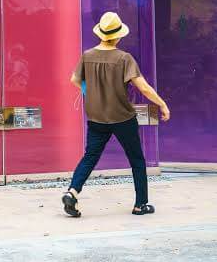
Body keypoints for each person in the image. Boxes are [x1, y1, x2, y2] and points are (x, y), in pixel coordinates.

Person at [62, 12, 170, 218]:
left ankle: (72, 192)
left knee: (90, 157)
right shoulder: (124, 58)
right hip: (122, 117)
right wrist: (162, 104)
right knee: (136, 159)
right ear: (118, 36)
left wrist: (90, 92)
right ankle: (140, 205)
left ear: (101, 34)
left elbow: (74, 79)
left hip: (96, 118)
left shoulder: (88, 55)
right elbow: (144, 88)